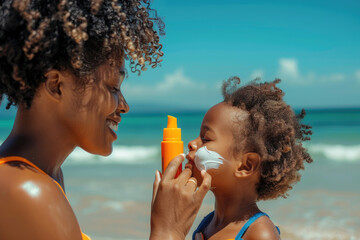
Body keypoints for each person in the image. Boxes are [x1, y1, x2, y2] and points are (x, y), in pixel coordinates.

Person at [0, 1, 211, 239]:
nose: (124, 105)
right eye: (113, 87)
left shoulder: (47, 176)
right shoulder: (30, 193)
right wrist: (168, 231)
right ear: (56, 85)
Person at [185, 77, 313, 240]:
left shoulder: (260, 233)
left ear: (245, 165)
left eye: (206, 138)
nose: (191, 144)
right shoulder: (207, 223)